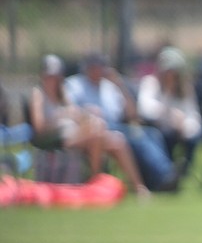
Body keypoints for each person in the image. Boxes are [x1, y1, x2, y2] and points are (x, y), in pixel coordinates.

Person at [29, 53, 149, 195]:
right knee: (96, 132)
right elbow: (39, 127)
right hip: (57, 137)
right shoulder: (38, 94)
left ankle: (139, 187)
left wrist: (86, 113)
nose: (53, 80)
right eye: (49, 76)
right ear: (43, 76)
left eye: (56, 75)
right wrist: (61, 115)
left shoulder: (63, 94)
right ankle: (94, 182)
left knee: (118, 141)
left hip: (75, 133)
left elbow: (75, 113)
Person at [64, 51, 177, 192]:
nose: (97, 70)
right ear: (87, 68)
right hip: (90, 128)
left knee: (152, 134)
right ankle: (163, 175)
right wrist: (87, 112)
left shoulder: (109, 87)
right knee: (135, 138)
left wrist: (119, 84)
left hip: (115, 126)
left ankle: (164, 172)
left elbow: (131, 114)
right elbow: (70, 110)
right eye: (94, 66)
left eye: (100, 66)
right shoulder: (75, 85)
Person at [137, 46, 202, 182]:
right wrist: (167, 111)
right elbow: (145, 109)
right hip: (156, 129)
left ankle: (183, 171)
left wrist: (184, 126)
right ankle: (165, 175)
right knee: (161, 137)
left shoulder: (185, 89)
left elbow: (193, 115)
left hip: (180, 130)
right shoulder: (151, 84)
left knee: (194, 137)